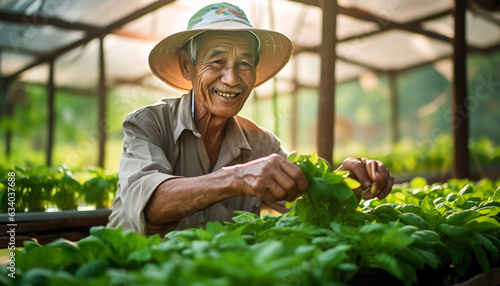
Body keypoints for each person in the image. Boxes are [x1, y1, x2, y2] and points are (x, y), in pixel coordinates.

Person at [107, 2, 394, 236]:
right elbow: (150, 205)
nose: (231, 79)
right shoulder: (147, 124)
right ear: (187, 66)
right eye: (216, 61)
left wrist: (347, 184)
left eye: (244, 63)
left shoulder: (262, 143)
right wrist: (237, 177)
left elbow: (303, 205)